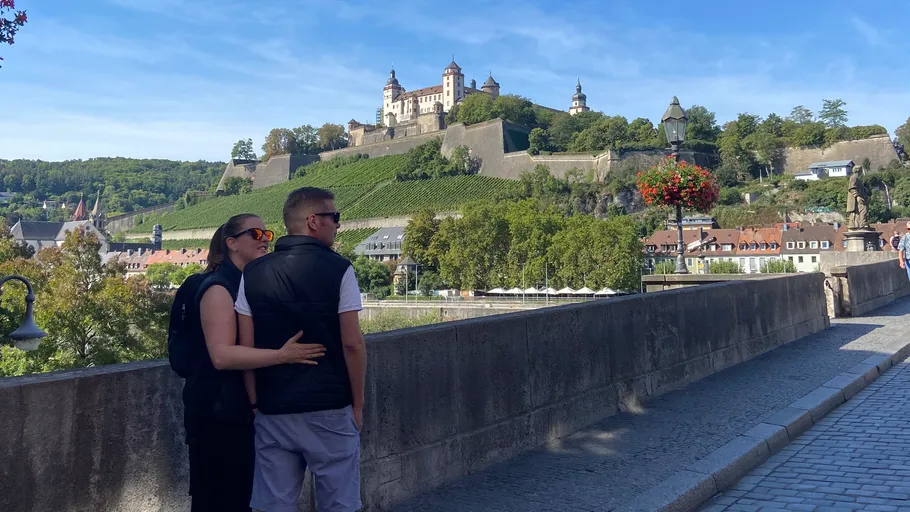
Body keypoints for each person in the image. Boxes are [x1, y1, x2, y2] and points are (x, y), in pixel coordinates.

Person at [235, 187, 367, 512]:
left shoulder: (251, 273)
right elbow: (352, 343)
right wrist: (358, 405)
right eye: (333, 217)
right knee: (340, 505)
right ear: (313, 221)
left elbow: (245, 346)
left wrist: (255, 401)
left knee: (273, 506)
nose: (338, 224)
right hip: (330, 409)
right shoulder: (340, 269)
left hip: (273, 408)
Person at [187, 213, 327, 512]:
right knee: (222, 498)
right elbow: (222, 356)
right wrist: (282, 356)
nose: (265, 241)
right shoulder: (218, 289)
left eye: (267, 234)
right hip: (218, 412)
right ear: (232, 243)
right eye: (256, 234)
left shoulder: (243, 284)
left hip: (238, 410)